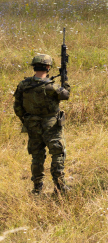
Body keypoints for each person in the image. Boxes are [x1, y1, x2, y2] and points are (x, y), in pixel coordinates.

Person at [13, 54, 71, 194]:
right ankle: (59, 186)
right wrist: (65, 80)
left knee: (37, 156)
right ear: (48, 67)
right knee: (57, 153)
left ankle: (37, 187)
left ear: (34, 66)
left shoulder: (23, 85)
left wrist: (27, 119)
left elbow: (17, 107)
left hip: (32, 124)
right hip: (51, 125)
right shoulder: (52, 87)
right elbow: (66, 95)